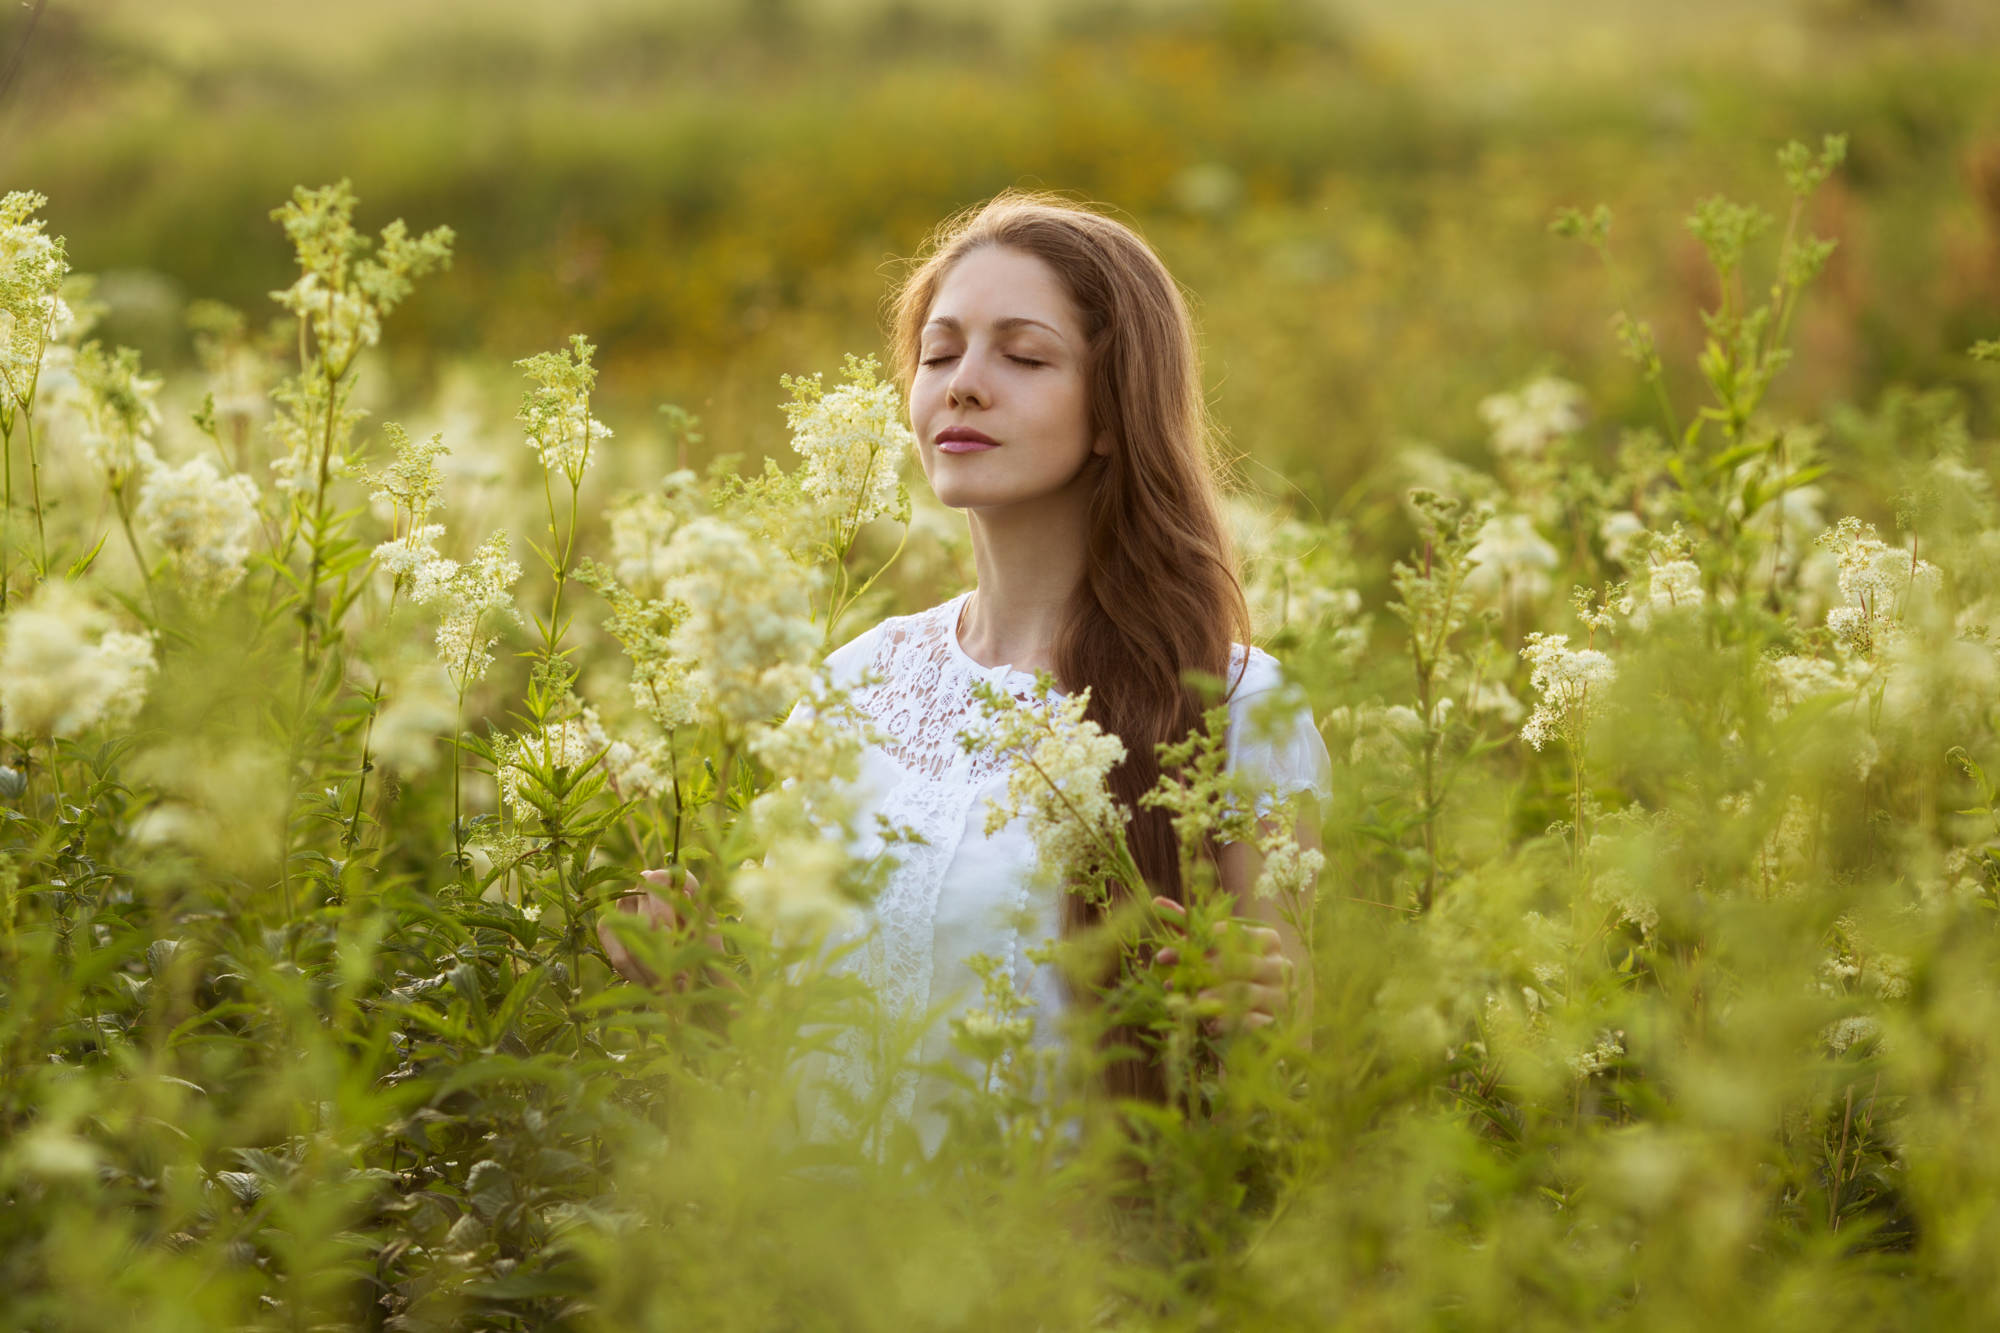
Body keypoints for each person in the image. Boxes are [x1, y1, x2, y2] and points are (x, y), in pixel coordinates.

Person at [600, 191, 1333, 1154]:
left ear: (1115, 410)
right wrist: (691, 963)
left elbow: (1286, 1045)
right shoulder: (855, 683)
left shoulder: (1234, 705)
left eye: (1023, 357)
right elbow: (797, 1027)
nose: (964, 384)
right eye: (940, 354)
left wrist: (1269, 1004)